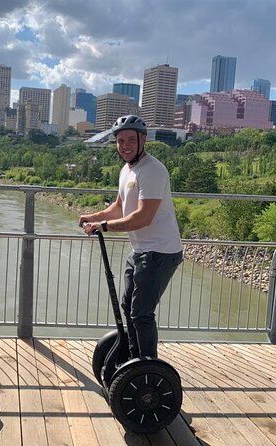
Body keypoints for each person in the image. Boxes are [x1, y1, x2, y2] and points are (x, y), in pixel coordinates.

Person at [79, 115, 182, 359]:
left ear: (143, 139)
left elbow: (143, 217)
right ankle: (135, 359)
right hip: (140, 250)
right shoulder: (127, 170)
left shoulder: (153, 170)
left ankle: (147, 367)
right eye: (120, 140)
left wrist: (104, 226)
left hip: (160, 252)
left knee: (141, 314)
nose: (125, 145)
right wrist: (93, 217)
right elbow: (119, 207)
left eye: (130, 140)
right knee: (128, 307)